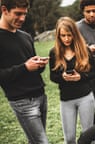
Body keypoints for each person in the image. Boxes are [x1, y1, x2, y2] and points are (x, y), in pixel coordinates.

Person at [0, 0, 49, 143]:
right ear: (4, 10)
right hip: (23, 101)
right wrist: (25, 67)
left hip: (41, 96)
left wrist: (39, 65)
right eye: (18, 13)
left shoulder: (26, 36)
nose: (22, 18)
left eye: (24, 14)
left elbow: (33, 70)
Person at [49, 17, 95, 144]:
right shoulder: (54, 53)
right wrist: (62, 77)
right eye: (63, 35)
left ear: (74, 34)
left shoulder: (84, 50)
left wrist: (80, 77)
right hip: (66, 100)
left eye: (69, 35)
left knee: (88, 136)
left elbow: (94, 73)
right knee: (69, 139)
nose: (66, 39)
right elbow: (52, 76)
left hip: (85, 97)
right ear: (58, 36)